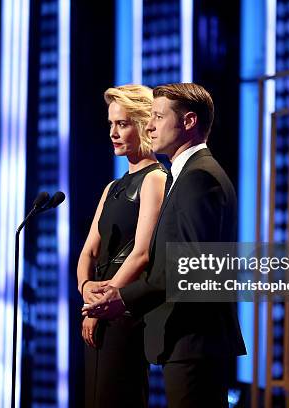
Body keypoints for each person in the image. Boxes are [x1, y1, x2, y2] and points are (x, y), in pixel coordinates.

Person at [84, 83, 246, 408]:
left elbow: (187, 266)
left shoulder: (200, 177)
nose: (151, 126)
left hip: (194, 339)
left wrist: (122, 297)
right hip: (186, 340)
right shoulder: (186, 175)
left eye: (158, 117)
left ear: (188, 122)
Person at [76, 84, 167, 408]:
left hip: (123, 312)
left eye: (123, 124)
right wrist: (86, 288)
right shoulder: (113, 186)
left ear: (143, 124)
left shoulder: (155, 178)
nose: (113, 132)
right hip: (99, 309)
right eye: (111, 124)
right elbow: (88, 251)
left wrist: (101, 304)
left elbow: (142, 253)